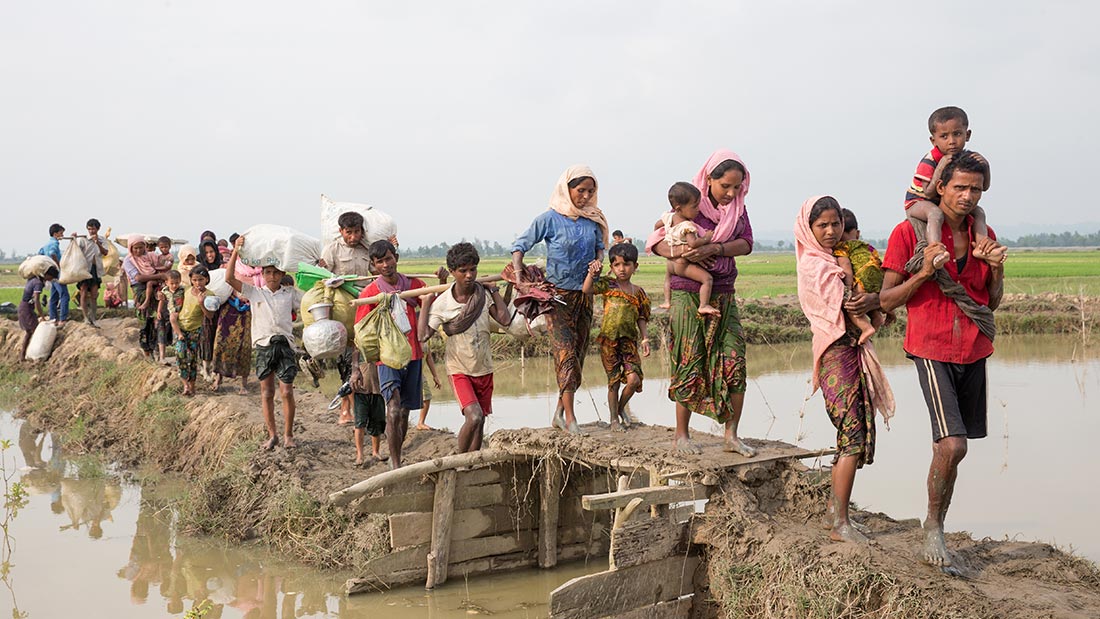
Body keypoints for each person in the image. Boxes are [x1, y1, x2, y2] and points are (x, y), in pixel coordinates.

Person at [877, 151, 1005, 568]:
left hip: (974, 346)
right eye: (960, 187)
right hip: (931, 345)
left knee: (950, 447)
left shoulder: (983, 235)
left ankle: (937, 520)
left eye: (976, 189)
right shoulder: (909, 233)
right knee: (953, 443)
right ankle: (933, 525)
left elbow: (991, 302)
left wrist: (996, 268)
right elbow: (887, 300)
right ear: (941, 187)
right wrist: (924, 273)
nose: (967, 196)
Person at [794, 195, 895, 545]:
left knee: (851, 436)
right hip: (836, 352)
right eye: (822, 225)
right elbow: (840, 304)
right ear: (808, 228)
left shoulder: (838, 258)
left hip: (850, 348)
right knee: (851, 435)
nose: (830, 231)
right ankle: (840, 523)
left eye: (835, 224)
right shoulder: (814, 265)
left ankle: (835, 514)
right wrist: (870, 301)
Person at [645, 149, 756, 456]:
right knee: (689, 357)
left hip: (724, 292)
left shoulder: (738, 209)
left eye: (737, 187)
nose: (731, 193)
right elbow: (658, 238)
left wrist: (716, 248)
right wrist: (681, 253)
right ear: (709, 179)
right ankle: (681, 435)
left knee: (735, 360)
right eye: (725, 186)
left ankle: (731, 435)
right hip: (687, 293)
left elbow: (746, 243)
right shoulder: (690, 203)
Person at [511, 164, 607, 435]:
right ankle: (571, 419)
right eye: (580, 190)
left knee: (578, 356)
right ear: (567, 189)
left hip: (584, 296)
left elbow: (600, 249)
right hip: (557, 299)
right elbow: (519, 247)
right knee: (565, 354)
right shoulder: (550, 219)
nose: (585, 196)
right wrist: (519, 277)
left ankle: (559, 413)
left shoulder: (593, 220)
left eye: (590, 191)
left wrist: (598, 263)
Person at [420, 242, 510, 454]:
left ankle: (472, 461)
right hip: (459, 369)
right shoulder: (443, 303)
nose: (469, 275)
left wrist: (494, 290)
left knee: (480, 420)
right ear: (452, 272)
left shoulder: (482, 295)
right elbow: (423, 335)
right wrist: (425, 304)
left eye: (473, 270)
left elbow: (504, 319)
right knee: (474, 415)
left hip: (484, 367)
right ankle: (458, 459)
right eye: (463, 271)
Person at [355, 240, 429, 468]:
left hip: (413, 355)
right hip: (386, 359)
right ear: (374, 265)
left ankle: (397, 452)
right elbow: (360, 332)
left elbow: (432, 305)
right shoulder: (371, 293)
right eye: (380, 262)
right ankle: (396, 464)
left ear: (396, 257)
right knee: (394, 408)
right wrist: (356, 368)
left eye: (388, 259)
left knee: (404, 412)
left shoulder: (414, 285)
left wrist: (444, 281)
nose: (385, 265)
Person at [226, 236, 300, 450]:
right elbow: (229, 278)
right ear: (262, 274)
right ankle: (272, 435)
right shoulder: (254, 292)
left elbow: (310, 300)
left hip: (285, 345)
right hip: (264, 346)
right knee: (267, 392)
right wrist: (235, 251)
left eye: (276, 272)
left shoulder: (290, 294)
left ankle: (288, 435)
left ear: (282, 274)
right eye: (268, 272)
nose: (272, 276)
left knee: (287, 391)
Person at [904, 106, 1001, 262]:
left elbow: (984, 187)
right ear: (933, 140)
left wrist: (986, 167)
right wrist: (940, 167)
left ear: (967, 135)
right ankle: (935, 250)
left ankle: (981, 246)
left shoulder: (965, 159)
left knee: (979, 212)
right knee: (935, 214)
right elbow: (928, 192)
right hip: (918, 202)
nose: (952, 142)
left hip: (941, 201)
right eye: (944, 136)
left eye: (957, 134)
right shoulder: (930, 160)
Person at [582, 242, 651, 431]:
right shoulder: (608, 284)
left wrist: (645, 338)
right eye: (617, 265)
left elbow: (642, 317)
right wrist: (592, 274)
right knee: (613, 382)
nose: (622, 269)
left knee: (634, 380)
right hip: (608, 342)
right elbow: (587, 289)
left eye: (626, 264)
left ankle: (620, 409)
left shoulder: (638, 293)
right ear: (612, 267)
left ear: (635, 266)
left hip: (629, 342)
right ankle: (614, 420)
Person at [320, 211, 373, 425]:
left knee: (364, 358)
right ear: (341, 231)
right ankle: (345, 408)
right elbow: (322, 277)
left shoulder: (367, 250)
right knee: (345, 359)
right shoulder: (332, 249)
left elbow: (378, 272)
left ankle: (364, 408)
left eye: (357, 232)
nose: (353, 237)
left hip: (364, 308)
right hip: (342, 311)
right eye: (348, 232)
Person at [653, 182, 719, 316]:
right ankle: (703, 305)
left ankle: (667, 301)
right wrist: (706, 238)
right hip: (682, 264)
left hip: (670, 263)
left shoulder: (669, 217)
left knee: (668, 279)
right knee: (707, 279)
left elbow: (657, 225)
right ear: (679, 208)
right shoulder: (687, 226)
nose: (698, 210)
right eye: (694, 207)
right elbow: (693, 243)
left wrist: (666, 235)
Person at [832, 208, 889, 345]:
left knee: (853, 304)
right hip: (878, 280)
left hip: (862, 280)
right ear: (857, 234)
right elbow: (878, 261)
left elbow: (846, 267)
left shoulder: (842, 248)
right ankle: (877, 318)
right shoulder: (866, 246)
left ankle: (866, 328)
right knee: (867, 301)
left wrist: (848, 289)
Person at [170, 266, 214, 396]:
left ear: (206, 279)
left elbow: (210, 316)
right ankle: (186, 385)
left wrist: (201, 303)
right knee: (180, 355)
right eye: (194, 280)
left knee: (192, 359)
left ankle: (192, 386)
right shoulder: (186, 291)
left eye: (200, 280)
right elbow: (172, 295)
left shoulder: (209, 295)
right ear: (191, 280)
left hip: (195, 330)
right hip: (181, 328)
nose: (197, 283)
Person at [122, 236, 167, 359]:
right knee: (145, 321)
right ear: (130, 248)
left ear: (145, 247)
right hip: (140, 289)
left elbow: (158, 268)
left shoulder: (150, 257)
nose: (138, 251)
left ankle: (156, 349)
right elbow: (138, 278)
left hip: (154, 287)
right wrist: (159, 276)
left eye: (141, 247)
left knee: (157, 320)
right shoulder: (128, 261)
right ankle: (146, 350)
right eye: (135, 248)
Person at [211, 283, 252, 394]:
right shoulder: (231, 274)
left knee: (245, 346)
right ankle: (218, 378)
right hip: (228, 308)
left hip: (247, 310)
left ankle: (243, 384)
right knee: (221, 343)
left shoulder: (257, 275)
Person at [19, 266, 59, 360]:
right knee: (34, 331)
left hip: (25, 307)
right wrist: (42, 316)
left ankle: (23, 355)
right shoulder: (38, 283)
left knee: (29, 332)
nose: (51, 280)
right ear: (47, 275)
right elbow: (36, 300)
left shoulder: (34, 279)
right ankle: (34, 355)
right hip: (26, 308)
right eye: (51, 277)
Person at [75, 219, 109, 327]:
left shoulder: (102, 240)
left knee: (94, 294)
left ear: (98, 229)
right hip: (85, 269)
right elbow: (76, 251)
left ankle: (93, 318)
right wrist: (74, 239)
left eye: (93, 229)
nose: (91, 231)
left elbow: (105, 252)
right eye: (89, 229)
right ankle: (85, 318)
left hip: (96, 269)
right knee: (83, 292)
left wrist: (97, 243)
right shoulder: (83, 239)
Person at [39, 223, 70, 325]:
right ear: (55, 234)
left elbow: (40, 253)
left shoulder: (46, 244)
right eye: (61, 233)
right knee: (64, 295)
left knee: (54, 296)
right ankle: (63, 319)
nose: (62, 235)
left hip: (50, 274)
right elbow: (52, 253)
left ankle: (53, 318)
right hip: (55, 273)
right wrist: (58, 266)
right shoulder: (54, 243)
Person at [156, 270, 185, 365]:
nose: (174, 285)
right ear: (166, 282)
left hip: (179, 314)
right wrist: (159, 311)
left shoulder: (183, 290)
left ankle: (178, 358)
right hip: (166, 312)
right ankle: (162, 357)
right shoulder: (164, 291)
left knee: (177, 337)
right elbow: (161, 301)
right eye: (172, 283)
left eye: (177, 283)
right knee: (161, 333)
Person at [416, 351, 443, 431]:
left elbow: (429, 357)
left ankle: (421, 422)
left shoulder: (427, 343)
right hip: (408, 372)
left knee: (427, 396)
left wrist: (435, 376)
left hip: (419, 373)